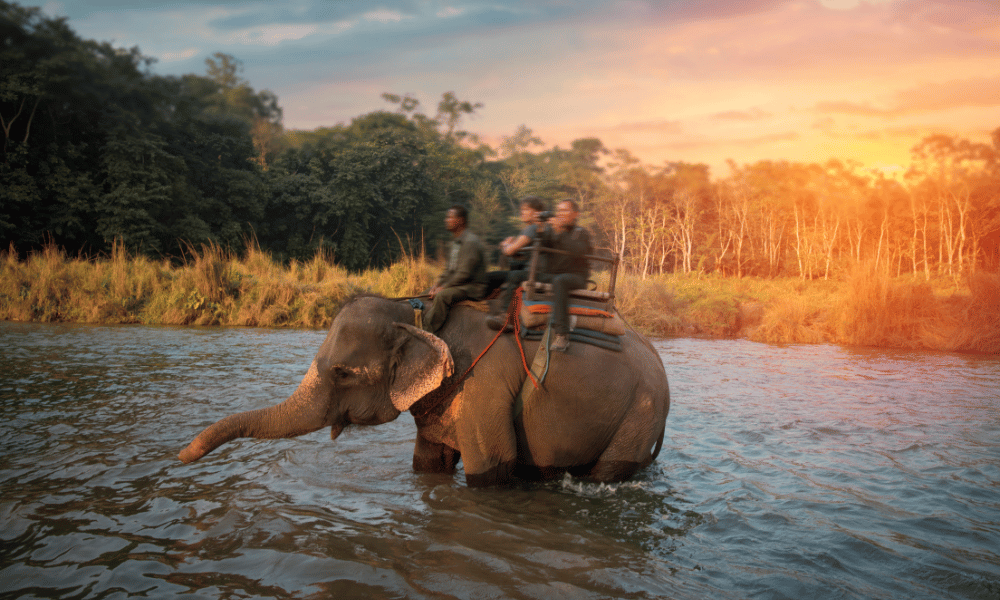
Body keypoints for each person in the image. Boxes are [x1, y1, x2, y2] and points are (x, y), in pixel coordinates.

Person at [487, 199, 592, 352]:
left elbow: (577, 250)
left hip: (575, 277)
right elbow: (542, 246)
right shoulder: (554, 230)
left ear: (575, 214)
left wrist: (560, 232)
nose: (560, 214)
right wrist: (542, 228)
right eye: (559, 210)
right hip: (553, 275)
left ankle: (562, 334)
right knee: (516, 275)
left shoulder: (581, 233)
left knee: (560, 280)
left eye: (565, 210)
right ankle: (505, 317)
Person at [423, 205, 487, 334]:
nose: (446, 220)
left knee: (442, 296)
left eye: (450, 217)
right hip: (460, 284)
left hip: (472, 286)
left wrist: (444, 287)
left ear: (461, 220)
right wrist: (437, 284)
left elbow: (464, 273)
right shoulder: (456, 242)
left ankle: (426, 331)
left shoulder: (470, 242)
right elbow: (449, 270)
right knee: (425, 293)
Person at [483, 196, 546, 299]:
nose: (522, 213)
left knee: (488, 277)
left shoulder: (533, 228)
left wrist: (506, 244)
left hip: (531, 273)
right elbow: (521, 254)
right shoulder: (540, 228)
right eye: (521, 210)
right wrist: (512, 246)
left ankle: (481, 304)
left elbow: (509, 251)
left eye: (526, 209)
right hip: (531, 271)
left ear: (537, 212)